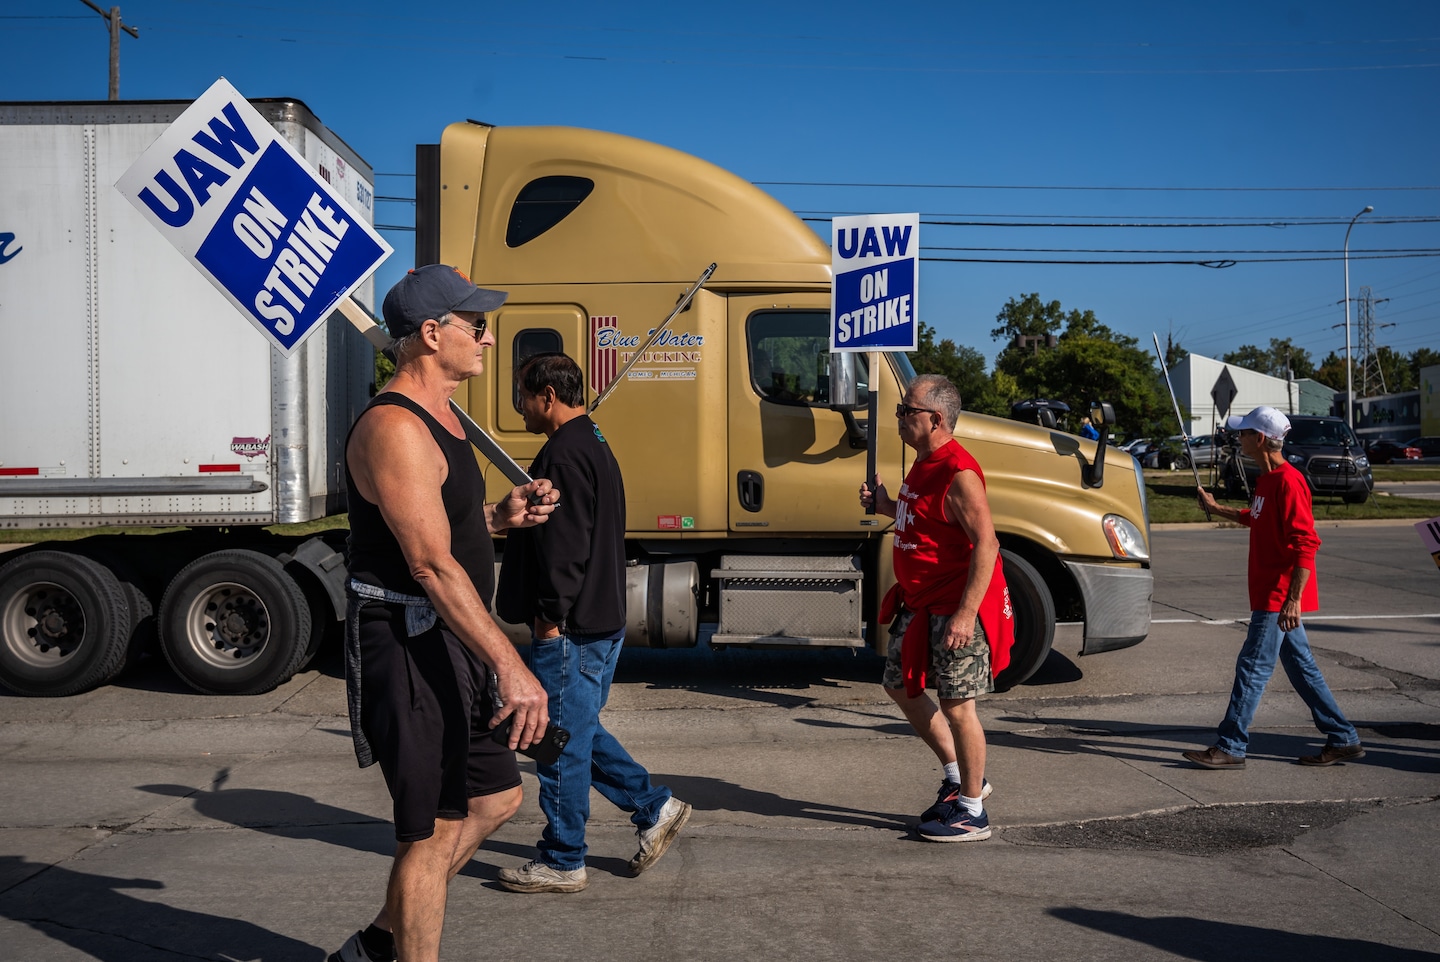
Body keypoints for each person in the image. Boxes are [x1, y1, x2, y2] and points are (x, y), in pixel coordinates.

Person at [330, 265, 558, 962]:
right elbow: (428, 565)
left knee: (494, 801)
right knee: (428, 836)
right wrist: (510, 662)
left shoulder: (447, 418)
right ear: (432, 335)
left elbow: (440, 529)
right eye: (478, 326)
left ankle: (375, 944)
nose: (490, 340)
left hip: (447, 640)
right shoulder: (394, 427)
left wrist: (498, 517)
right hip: (404, 641)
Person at [495, 353, 690, 893]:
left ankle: (562, 858)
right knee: (576, 731)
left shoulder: (563, 453)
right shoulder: (594, 442)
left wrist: (549, 616)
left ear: (547, 396)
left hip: (572, 627)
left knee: (556, 742)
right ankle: (654, 807)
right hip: (600, 620)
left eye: (523, 396)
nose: (522, 407)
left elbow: (565, 546)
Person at [859, 374, 1014, 842]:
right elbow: (927, 522)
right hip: (919, 602)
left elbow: (986, 545)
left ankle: (972, 812)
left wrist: (966, 615)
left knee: (957, 706)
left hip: (952, 606)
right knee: (899, 687)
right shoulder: (923, 462)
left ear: (936, 419)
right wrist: (888, 505)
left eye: (907, 411)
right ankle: (959, 777)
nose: (900, 418)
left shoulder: (958, 472)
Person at [1185, 405, 1364, 771]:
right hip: (1274, 594)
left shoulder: (1290, 481)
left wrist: (1293, 600)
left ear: (1261, 439)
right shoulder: (1266, 481)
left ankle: (1232, 745)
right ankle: (1343, 738)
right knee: (1302, 668)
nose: (1239, 438)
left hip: (1279, 596)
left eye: (1244, 432)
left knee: (1251, 667)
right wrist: (1218, 508)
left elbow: (1306, 543)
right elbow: (1257, 518)